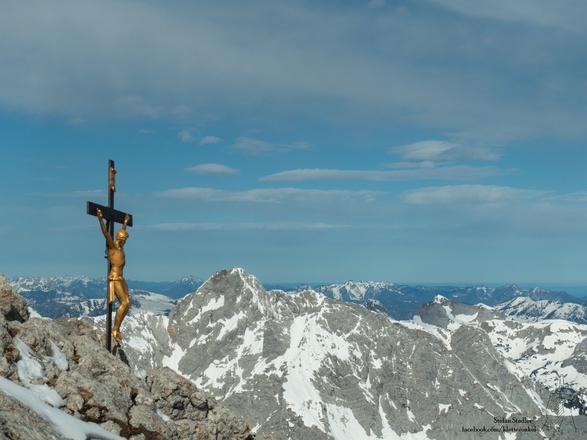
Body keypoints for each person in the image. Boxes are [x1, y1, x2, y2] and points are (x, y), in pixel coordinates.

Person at [96, 209, 131, 343]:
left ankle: (117, 327)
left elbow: (120, 232)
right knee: (125, 302)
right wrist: (100, 218)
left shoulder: (121, 248)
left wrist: (125, 223)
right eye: (123, 239)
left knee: (128, 304)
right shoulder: (113, 248)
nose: (124, 242)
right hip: (115, 278)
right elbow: (106, 234)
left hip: (121, 278)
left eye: (125, 239)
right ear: (119, 239)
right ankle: (115, 329)